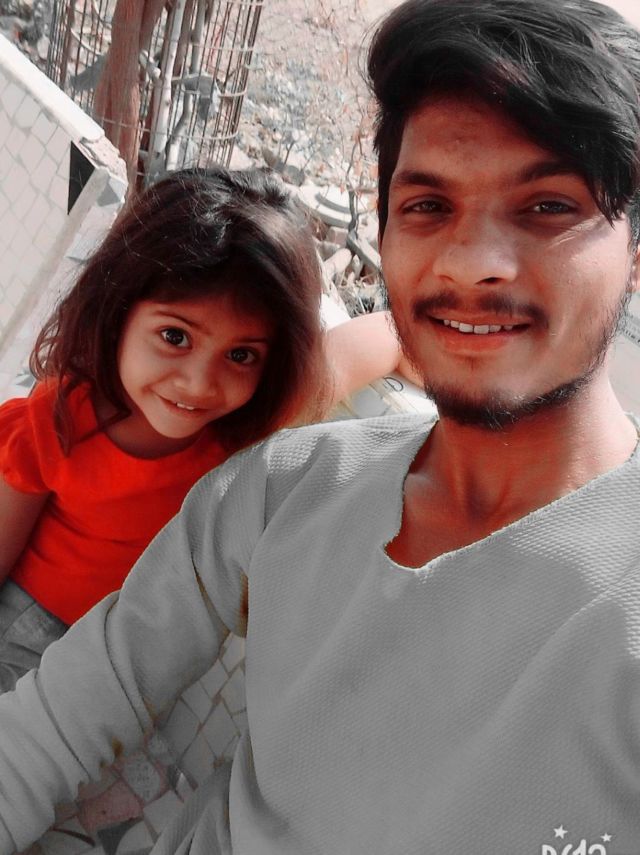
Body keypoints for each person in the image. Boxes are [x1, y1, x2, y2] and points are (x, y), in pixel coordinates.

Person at [0, 0, 639, 850]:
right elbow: (64, 715)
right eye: (428, 206)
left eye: (548, 206)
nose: (469, 263)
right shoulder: (284, 488)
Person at [0, 165, 412, 692]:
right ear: (119, 309)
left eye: (240, 355)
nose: (198, 384)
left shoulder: (247, 426)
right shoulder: (63, 416)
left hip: (118, 659)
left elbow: (371, 342)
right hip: (25, 630)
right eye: (175, 337)